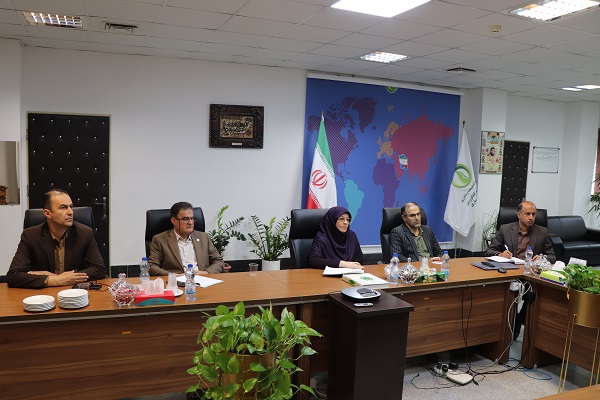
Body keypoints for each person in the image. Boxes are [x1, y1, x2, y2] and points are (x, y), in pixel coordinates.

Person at [7, 189, 105, 288]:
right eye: (63, 207)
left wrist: (65, 277)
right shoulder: (30, 236)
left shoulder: (85, 233)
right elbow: (13, 276)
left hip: (73, 292)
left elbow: (99, 269)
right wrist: (56, 280)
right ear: (47, 213)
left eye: (71, 207)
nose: (71, 212)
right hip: (44, 294)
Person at [148, 202, 224, 275]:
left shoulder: (204, 238)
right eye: (185, 219)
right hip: (176, 281)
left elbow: (218, 261)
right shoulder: (160, 240)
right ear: (173, 221)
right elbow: (151, 266)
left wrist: (206, 273)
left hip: (202, 279)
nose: (190, 223)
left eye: (192, 218)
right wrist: (173, 276)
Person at [486, 200, 556, 263]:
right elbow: (489, 251)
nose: (531, 217)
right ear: (519, 215)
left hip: (531, 269)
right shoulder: (505, 229)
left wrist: (542, 259)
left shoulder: (542, 232)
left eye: (533, 214)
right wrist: (500, 254)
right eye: (527, 214)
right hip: (510, 268)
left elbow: (552, 257)